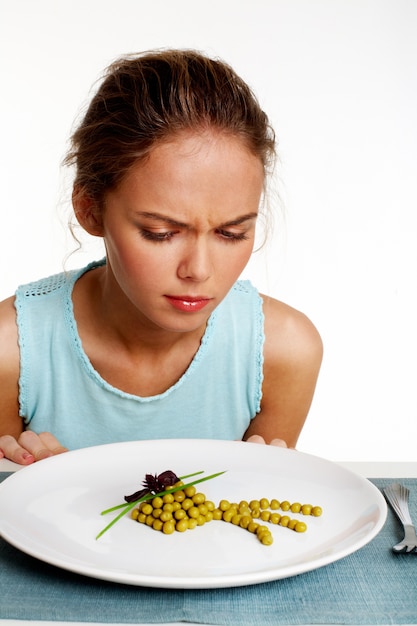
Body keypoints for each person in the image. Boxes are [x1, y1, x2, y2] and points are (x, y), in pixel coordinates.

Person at [0, 49, 323, 465]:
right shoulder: (12, 350)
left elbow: (247, 519)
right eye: (161, 233)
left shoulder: (284, 352)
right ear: (90, 209)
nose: (199, 271)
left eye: (232, 233)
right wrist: (40, 494)